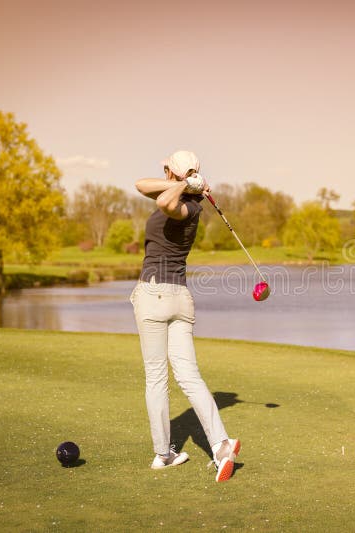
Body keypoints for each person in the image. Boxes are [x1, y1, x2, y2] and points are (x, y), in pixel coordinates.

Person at [131, 150, 240, 482]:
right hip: (181, 297)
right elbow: (140, 186)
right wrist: (191, 182)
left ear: (168, 171)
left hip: (154, 295)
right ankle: (221, 445)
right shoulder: (194, 199)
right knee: (189, 375)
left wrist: (184, 185)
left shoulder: (188, 206)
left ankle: (163, 453)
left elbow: (165, 203)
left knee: (156, 378)